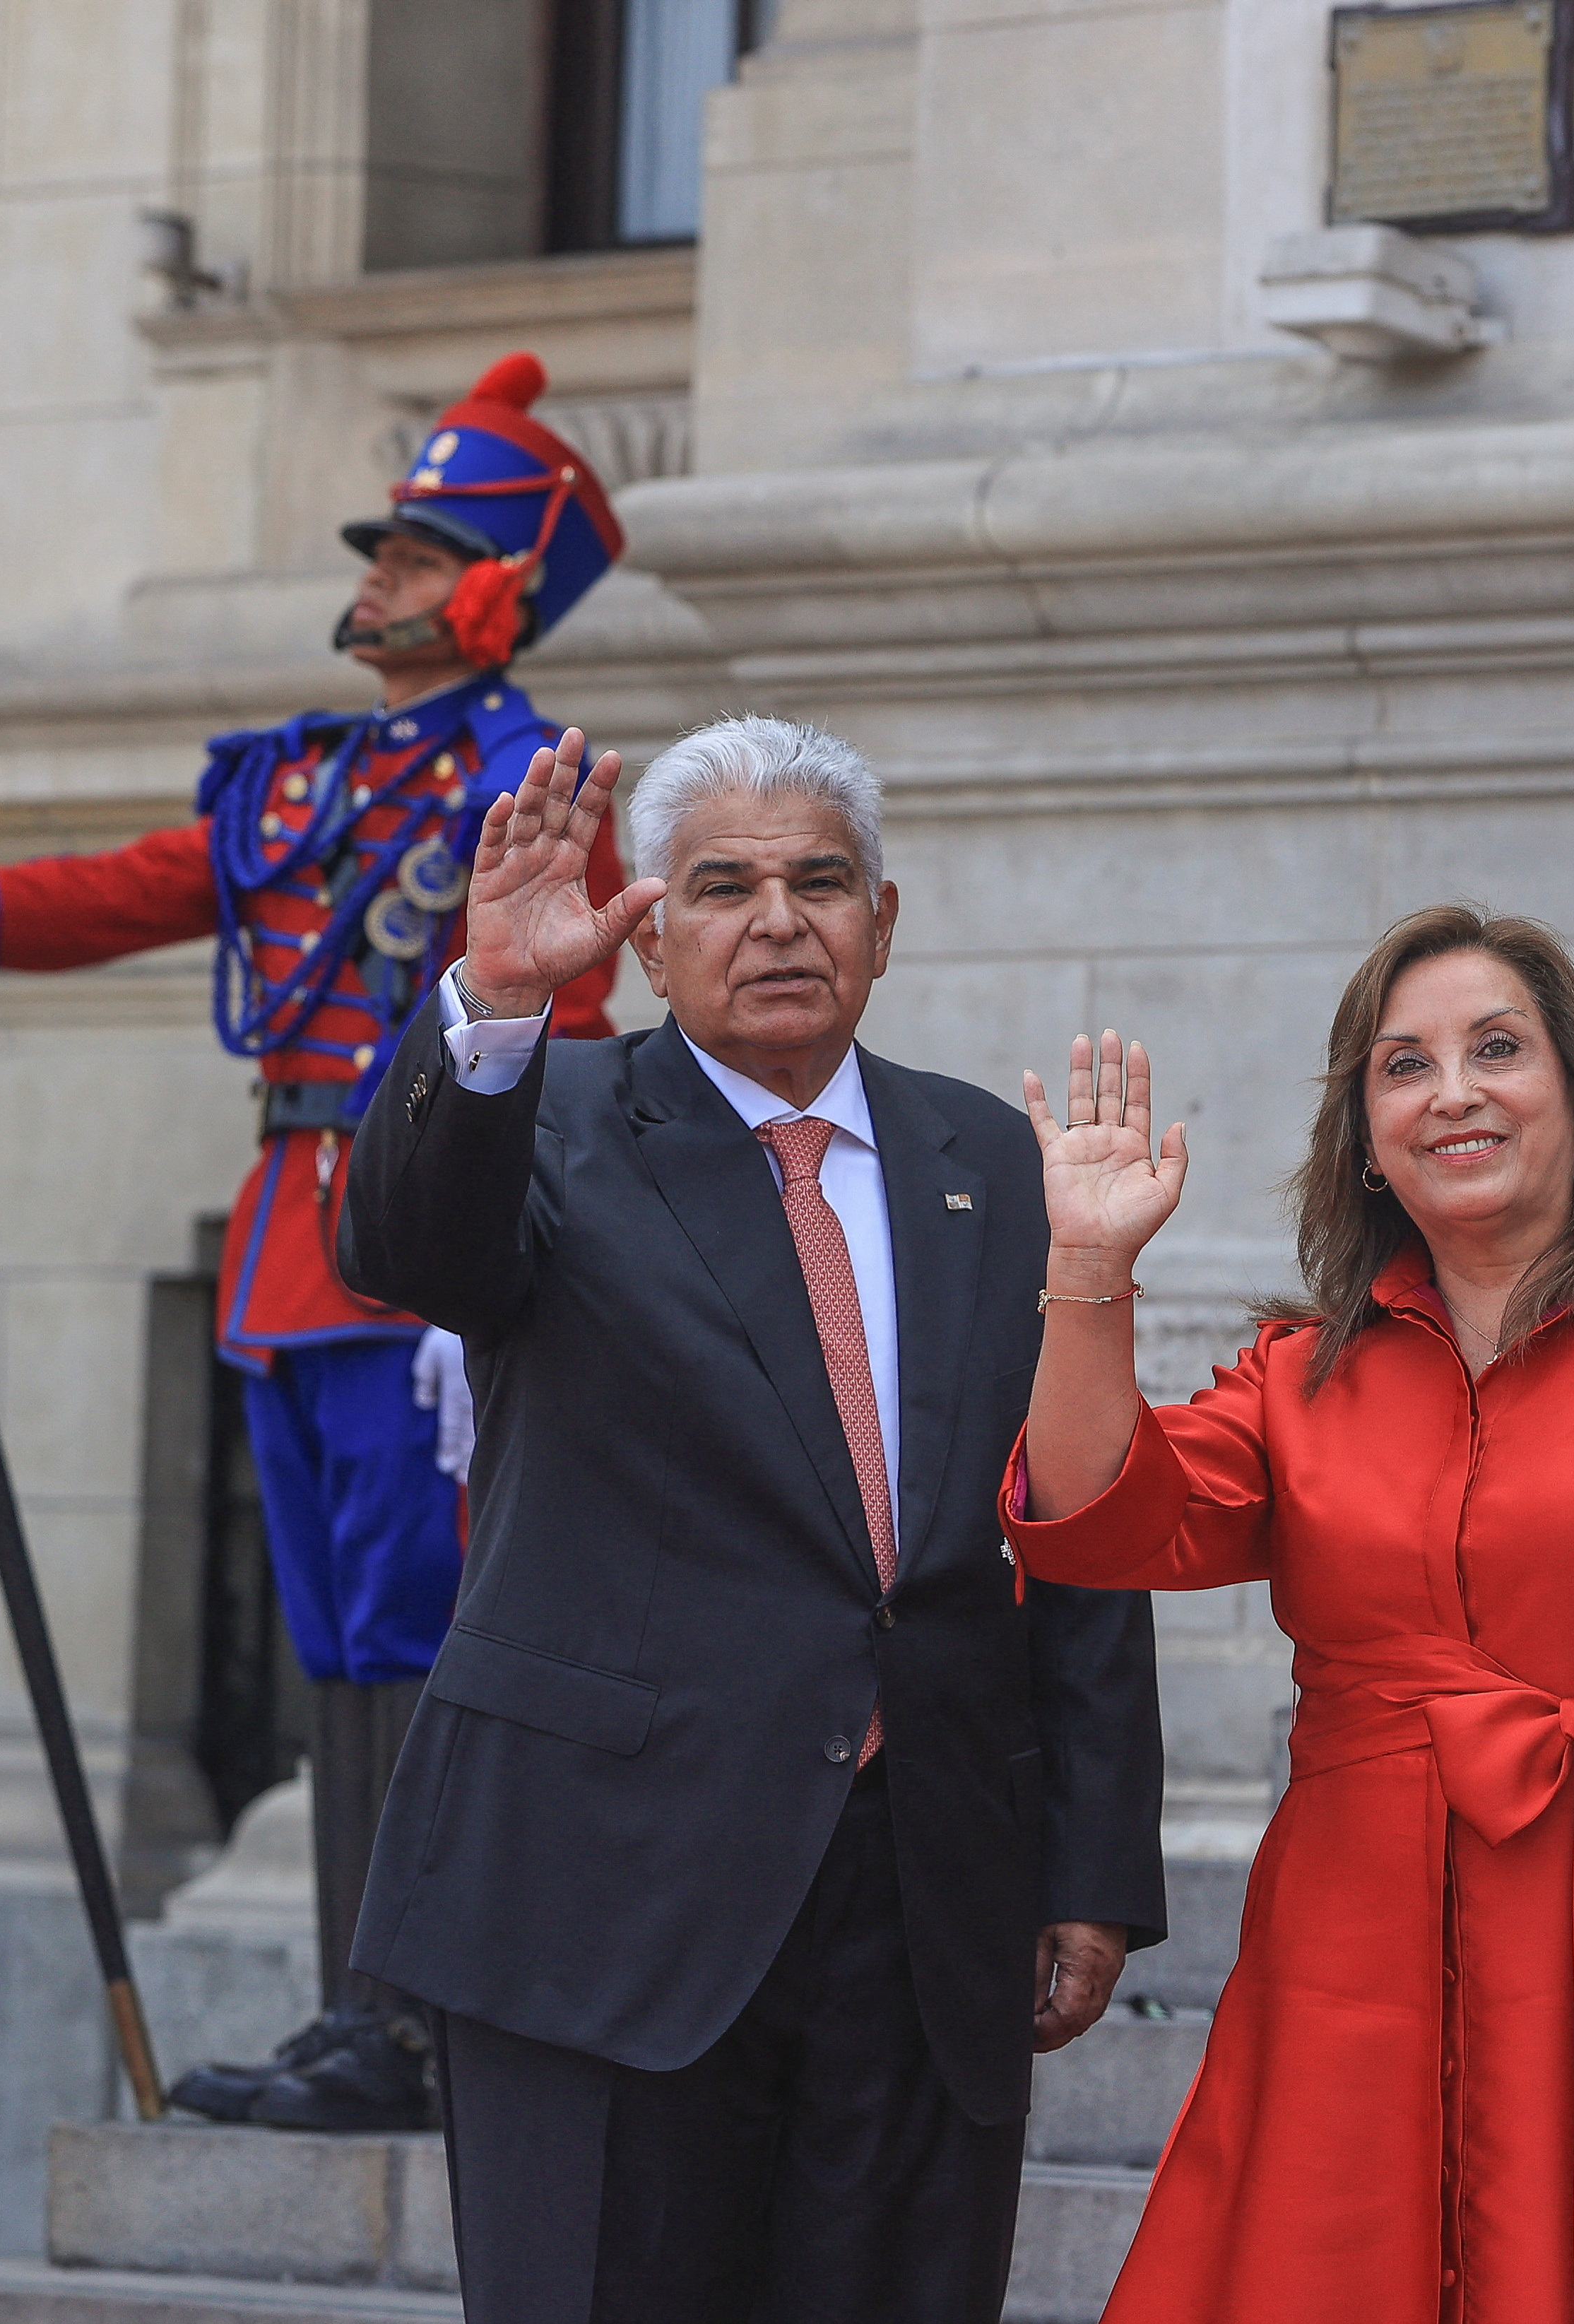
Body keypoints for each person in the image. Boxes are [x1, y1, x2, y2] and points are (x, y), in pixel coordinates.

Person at [0, 351, 633, 2128]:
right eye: (381, 551)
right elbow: (126, 894)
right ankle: (356, 2011)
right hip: (287, 1254)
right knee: (332, 1641)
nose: (374, 579)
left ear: (486, 586)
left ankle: (419, 2020)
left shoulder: (533, 791)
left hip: (414, 1256)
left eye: (409, 552)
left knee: (415, 1629)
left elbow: (579, 1031)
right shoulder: (301, 786)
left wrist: (491, 1265)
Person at [332, 716, 1165, 2320]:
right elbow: (404, 1247)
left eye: (819, 882)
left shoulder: (983, 1156)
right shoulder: (552, 1120)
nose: (778, 920)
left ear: (884, 920)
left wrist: (1090, 1857)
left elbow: (1062, 1512)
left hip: (919, 1896)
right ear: (649, 928)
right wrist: (499, 1001)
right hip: (604, 1895)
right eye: (722, 886)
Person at [1005, 907, 1574, 2324]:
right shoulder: (1299, 1377)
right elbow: (1095, 1520)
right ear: (1367, 1139)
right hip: (1350, 1969)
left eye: (1500, 1047)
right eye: (1405, 1065)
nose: (1456, 1089)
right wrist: (1088, 1273)